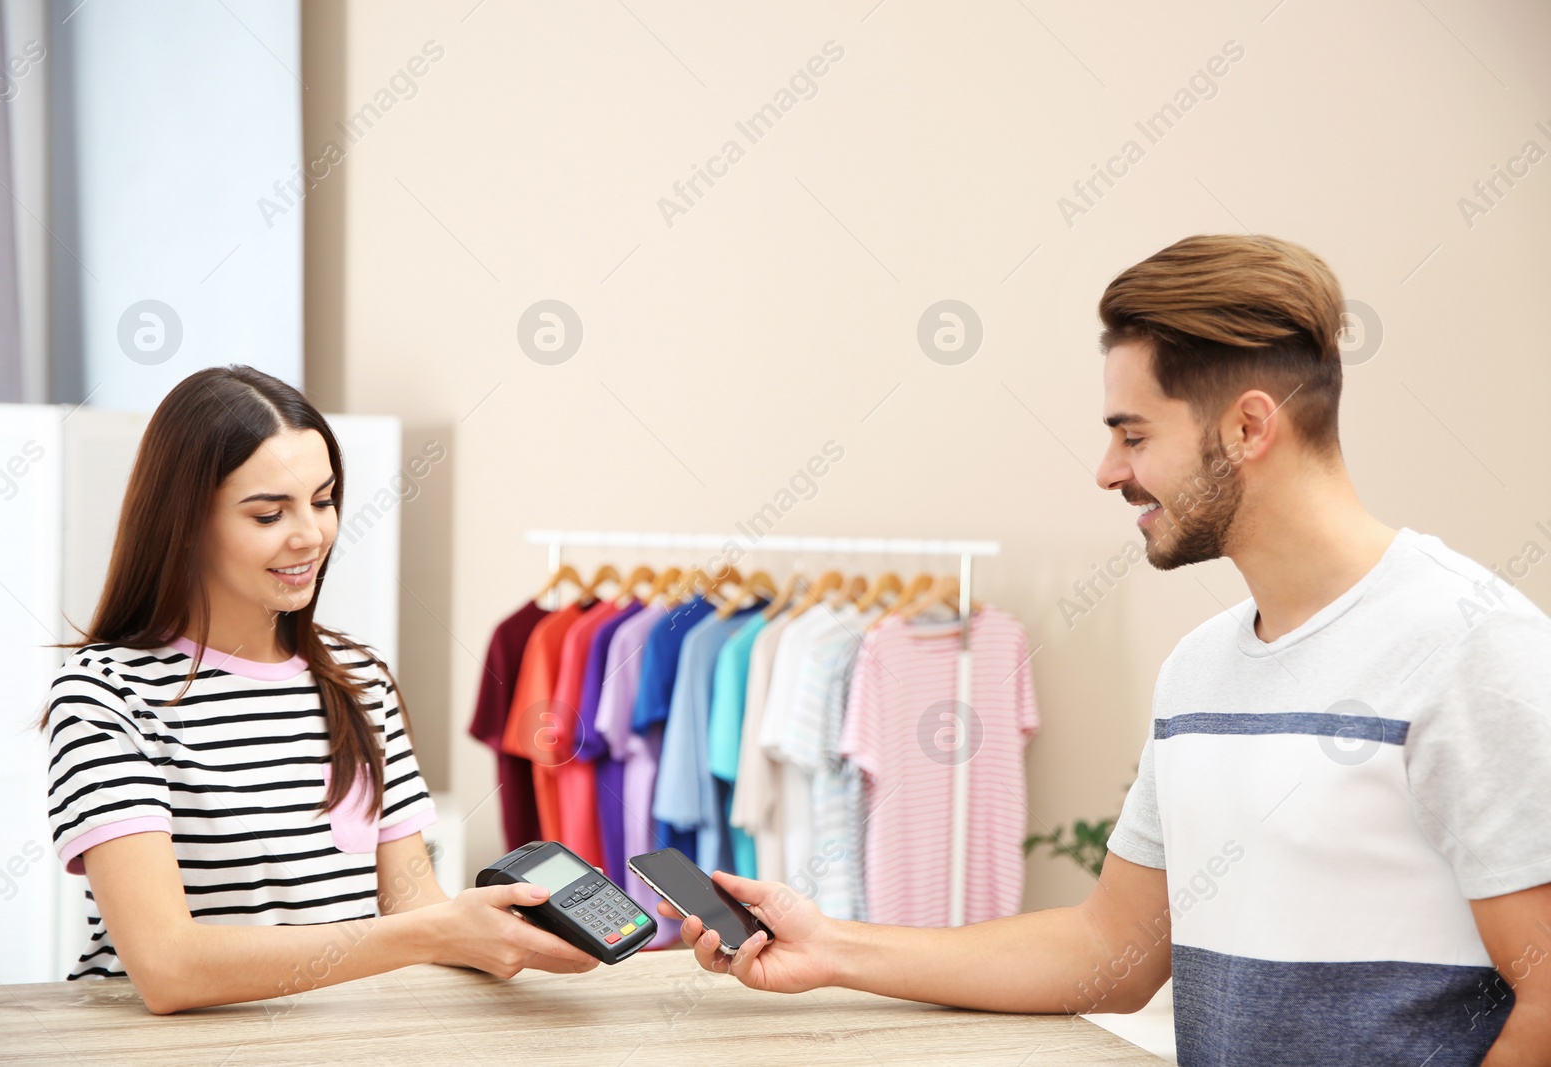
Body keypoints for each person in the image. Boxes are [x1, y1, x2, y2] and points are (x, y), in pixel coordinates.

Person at [661, 235, 1551, 1066]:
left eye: (1132, 434)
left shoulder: (1473, 645)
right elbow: (1111, 951)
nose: (1107, 470)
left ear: (1248, 427)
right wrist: (835, 946)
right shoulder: (1201, 669)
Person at [42, 366, 597, 1014]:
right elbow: (168, 967)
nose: (311, 535)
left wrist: (502, 932)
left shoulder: (359, 680)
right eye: (270, 512)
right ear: (185, 521)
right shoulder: (107, 696)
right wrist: (430, 932)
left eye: (324, 499)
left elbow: (413, 907)